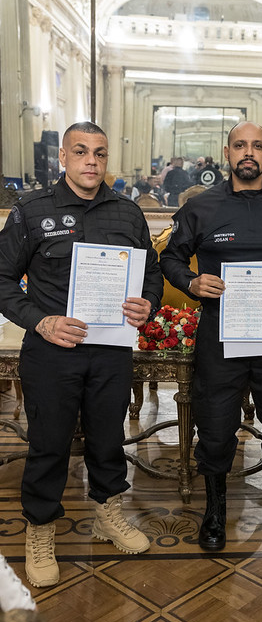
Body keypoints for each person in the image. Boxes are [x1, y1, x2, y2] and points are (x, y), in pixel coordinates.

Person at [0, 121, 163, 588]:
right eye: (81, 151)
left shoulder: (128, 213)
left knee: (108, 439)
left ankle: (108, 516)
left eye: (100, 153)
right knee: (49, 445)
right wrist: (41, 320)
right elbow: (3, 281)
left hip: (110, 352)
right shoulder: (32, 211)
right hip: (53, 351)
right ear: (63, 159)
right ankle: (41, 530)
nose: (92, 160)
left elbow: (150, 273)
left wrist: (147, 302)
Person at [160, 121, 262, 551]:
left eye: (256, 146)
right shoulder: (202, 208)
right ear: (227, 152)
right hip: (220, 340)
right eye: (240, 145)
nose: (248, 153)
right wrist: (193, 282)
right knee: (215, 429)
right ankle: (215, 510)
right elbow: (170, 258)